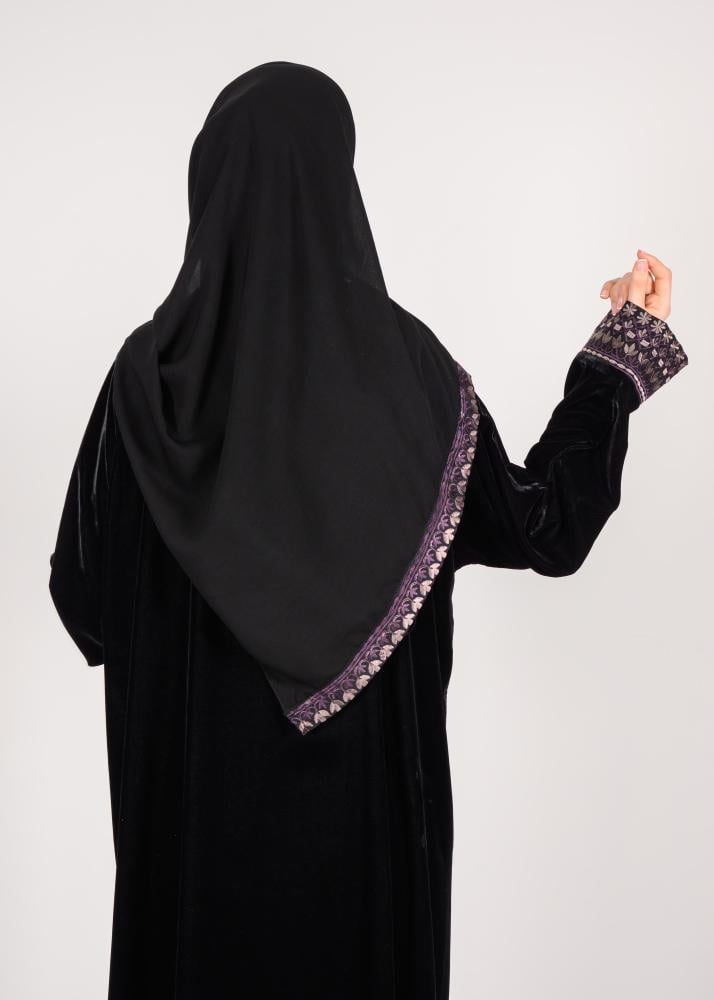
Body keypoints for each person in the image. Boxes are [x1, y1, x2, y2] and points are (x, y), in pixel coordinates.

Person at [48, 61, 688, 1000]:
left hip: (191, 886)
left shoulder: (143, 385)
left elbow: (84, 602)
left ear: (209, 186)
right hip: (365, 890)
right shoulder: (410, 381)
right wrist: (615, 359)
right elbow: (546, 525)